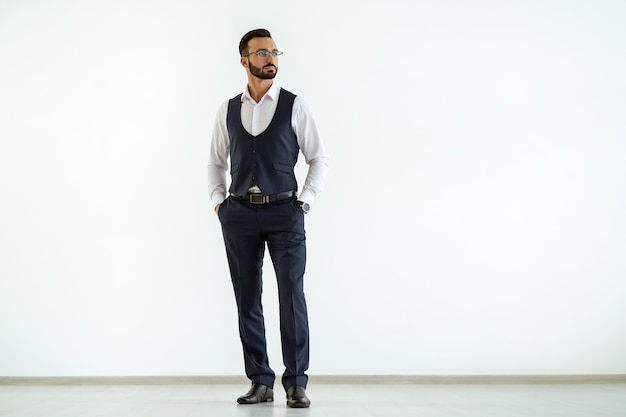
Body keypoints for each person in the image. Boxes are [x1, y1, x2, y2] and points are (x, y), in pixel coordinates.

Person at [207, 28, 328, 408]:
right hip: (239, 213)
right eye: (261, 53)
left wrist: (304, 203)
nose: (270, 58)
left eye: (274, 51)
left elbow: (318, 159)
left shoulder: (295, 104)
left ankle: (296, 383)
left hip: (284, 212)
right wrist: (219, 204)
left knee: (292, 296)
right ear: (244, 60)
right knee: (248, 299)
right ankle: (260, 380)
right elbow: (215, 161)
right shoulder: (228, 109)